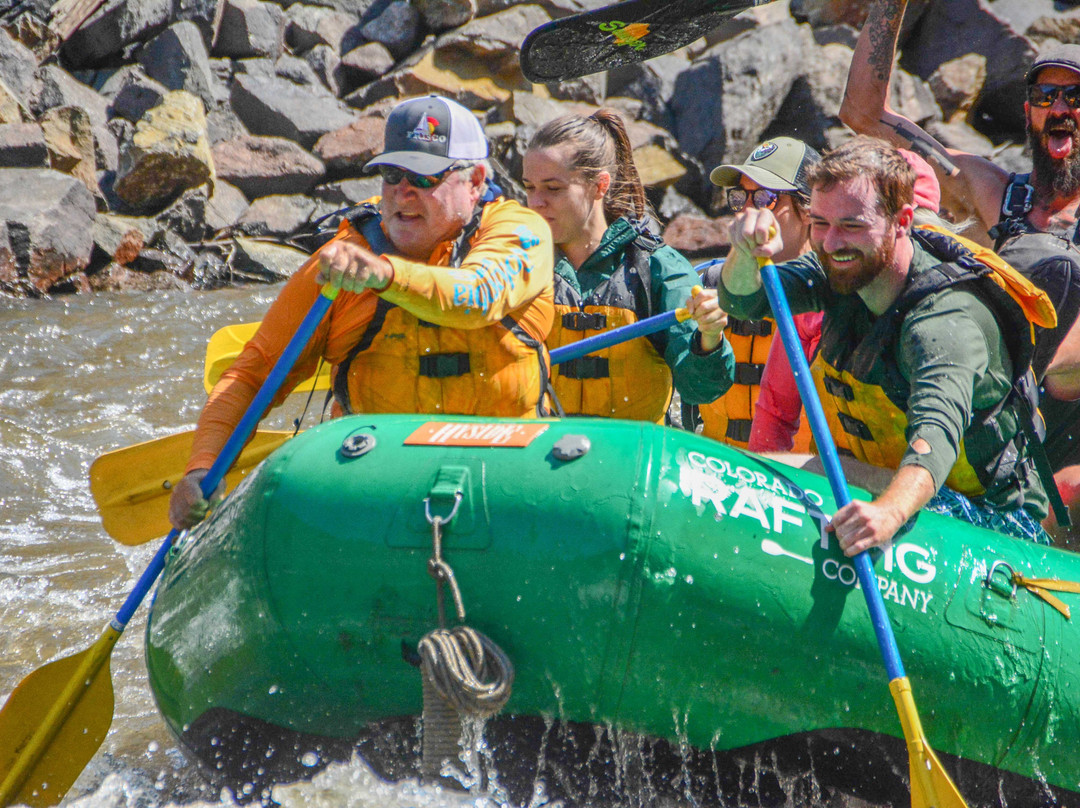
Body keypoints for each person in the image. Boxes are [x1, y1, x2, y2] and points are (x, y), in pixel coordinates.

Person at [169, 94, 555, 529]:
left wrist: (384, 275)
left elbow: (477, 297)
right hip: (379, 482)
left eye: (425, 176)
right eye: (392, 175)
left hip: (508, 473)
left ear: (476, 180)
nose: (403, 192)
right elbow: (254, 373)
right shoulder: (341, 262)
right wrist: (203, 465)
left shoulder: (520, 233)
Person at [715, 136, 1056, 555]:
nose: (831, 242)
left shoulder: (944, 321)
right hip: (894, 485)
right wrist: (745, 253)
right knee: (769, 470)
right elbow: (742, 300)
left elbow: (936, 437)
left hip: (994, 528)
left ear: (902, 221)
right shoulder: (840, 268)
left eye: (852, 226)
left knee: (788, 472)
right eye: (820, 223)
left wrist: (887, 515)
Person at [840, 1, 1080, 503]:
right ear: (1029, 110)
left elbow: (1063, 377)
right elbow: (862, 112)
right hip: (993, 428)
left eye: (1075, 96)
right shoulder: (993, 194)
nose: (1060, 108)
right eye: (1046, 95)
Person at [521, 109, 733, 422]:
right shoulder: (516, 264)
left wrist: (710, 336)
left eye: (553, 188)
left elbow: (700, 389)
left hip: (630, 459)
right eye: (529, 187)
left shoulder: (656, 268)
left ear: (599, 186)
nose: (536, 202)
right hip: (540, 455)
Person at [747, 148, 942, 454]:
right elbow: (774, 412)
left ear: (902, 224)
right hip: (834, 479)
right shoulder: (814, 302)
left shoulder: (949, 309)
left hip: (924, 488)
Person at [696, 136, 822, 451]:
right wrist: (706, 342)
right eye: (741, 197)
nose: (749, 210)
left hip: (805, 479)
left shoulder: (832, 295)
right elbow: (694, 390)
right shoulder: (708, 282)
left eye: (766, 198)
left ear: (808, 210)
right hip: (719, 469)